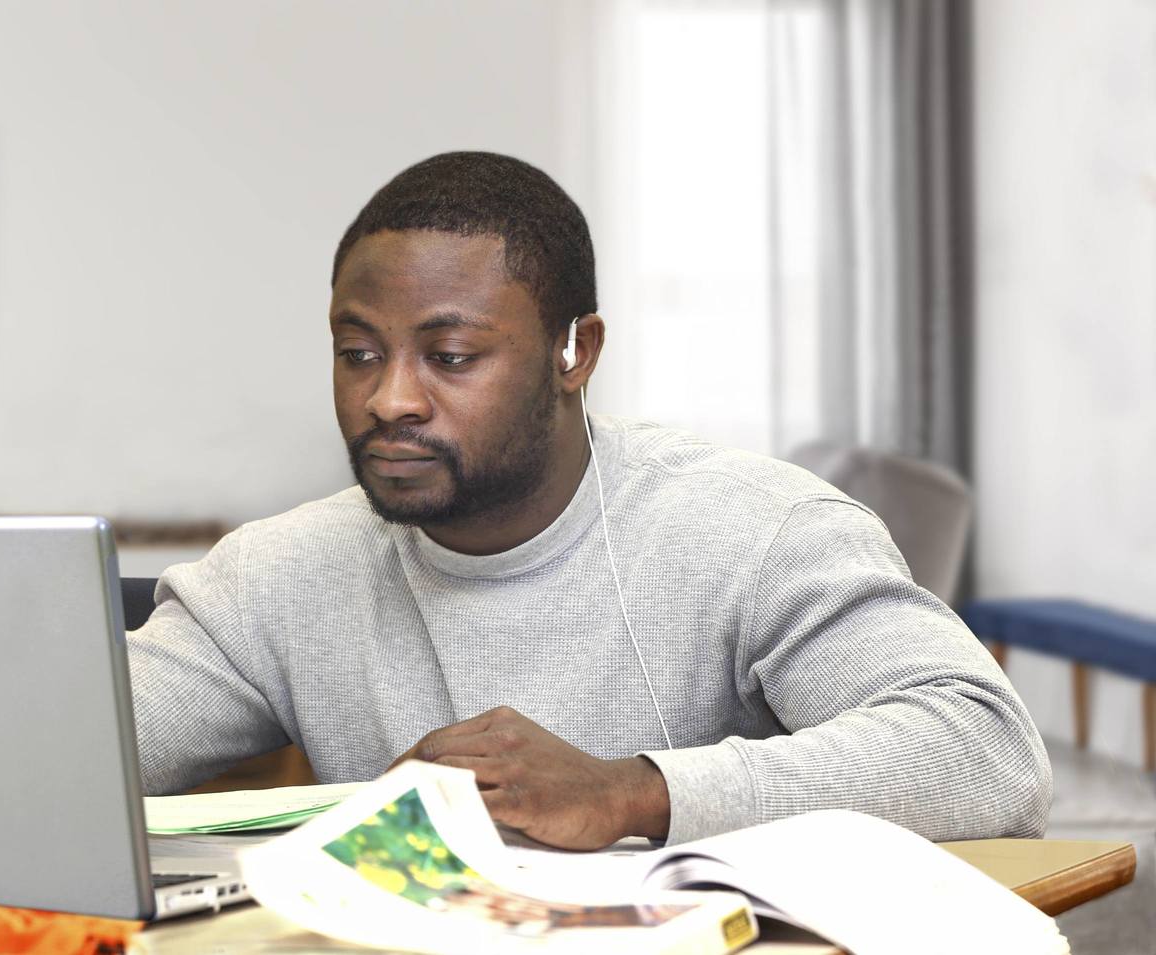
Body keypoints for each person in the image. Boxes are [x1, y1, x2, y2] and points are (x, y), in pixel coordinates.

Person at [126, 151, 1051, 849]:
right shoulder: (275, 573)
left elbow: (987, 750)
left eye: (450, 357)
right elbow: (74, 747)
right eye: (358, 351)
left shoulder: (755, 529)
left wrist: (632, 790)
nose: (389, 398)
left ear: (576, 353)